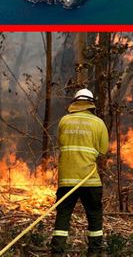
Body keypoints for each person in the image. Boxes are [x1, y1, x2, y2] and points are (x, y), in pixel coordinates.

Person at [51, 89, 109, 256]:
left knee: (63, 215)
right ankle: (94, 251)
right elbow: (103, 150)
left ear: (75, 103)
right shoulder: (99, 123)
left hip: (66, 180)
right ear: (91, 104)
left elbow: (61, 143)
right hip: (90, 179)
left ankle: (57, 252)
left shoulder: (64, 121)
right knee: (94, 215)